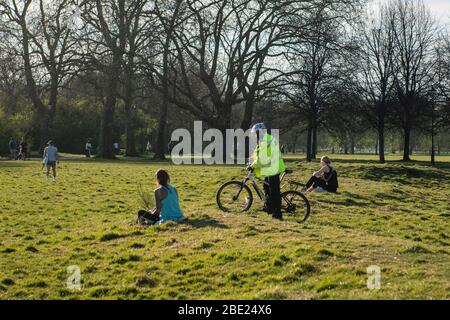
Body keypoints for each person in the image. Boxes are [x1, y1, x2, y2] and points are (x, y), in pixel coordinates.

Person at [248, 123, 286, 221]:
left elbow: (262, 158)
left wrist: (252, 166)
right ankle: (269, 207)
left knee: (274, 192)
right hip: (270, 169)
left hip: (273, 169)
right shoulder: (262, 140)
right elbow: (257, 153)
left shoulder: (267, 140)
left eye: (256, 133)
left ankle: (277, 214)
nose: (255, 135)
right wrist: (250, 161)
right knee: (266, 187)